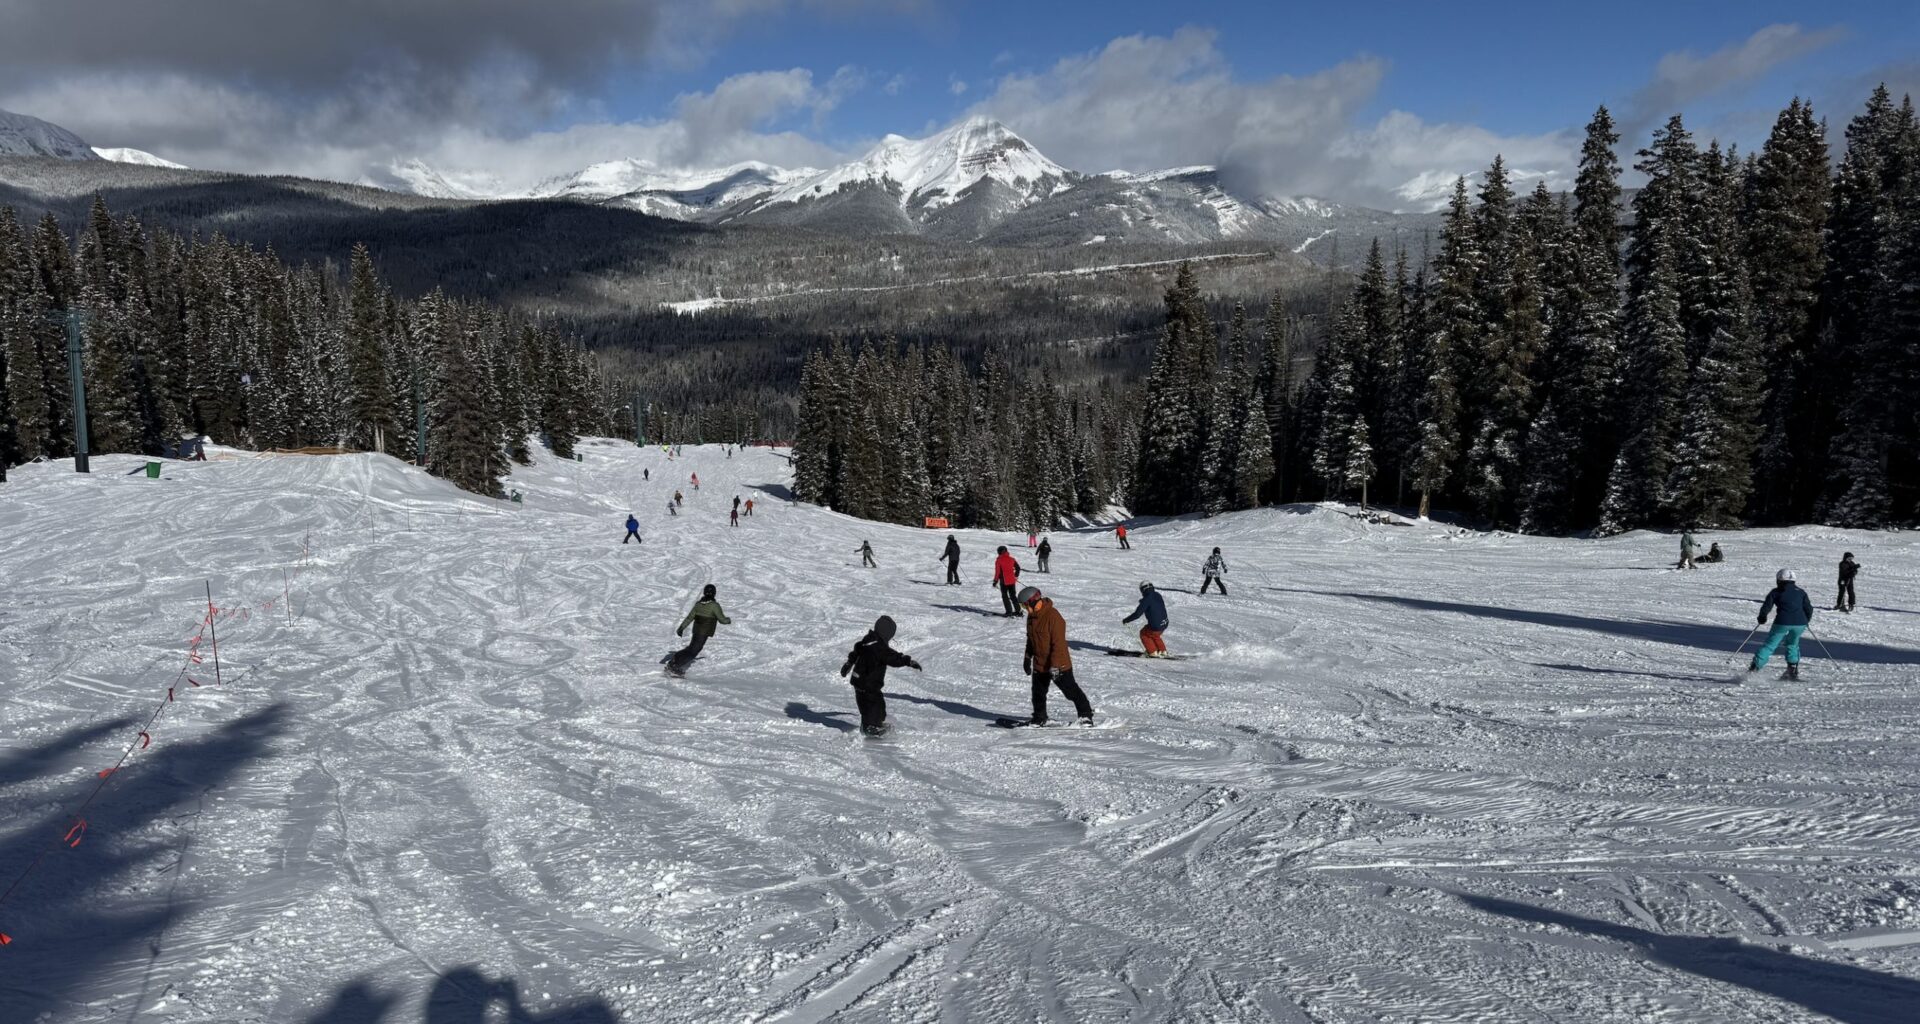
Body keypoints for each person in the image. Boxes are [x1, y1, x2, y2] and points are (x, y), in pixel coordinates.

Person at [1019, 586, 1093, 726]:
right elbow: (1031, 639)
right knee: (1038, 693)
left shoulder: (1053, 616)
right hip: (1040, 663)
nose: (1025, 609)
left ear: (1033, 602)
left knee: (1070, 691)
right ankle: (1039, 717)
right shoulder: (1031, 618)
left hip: (1059, 664)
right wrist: (1027, 658)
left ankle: (1086, 714)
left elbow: (1058, 644)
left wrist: (1055, 666)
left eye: (1025, 605)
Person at [840, 615, 922, 736]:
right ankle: (870, 728)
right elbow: (893, 658)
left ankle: (873, 724)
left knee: (874, 705)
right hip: (869, 683)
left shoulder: (867, 641)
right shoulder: (879, 648)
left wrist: (848, 664)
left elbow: (856, 651)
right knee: (873, 706)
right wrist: (908, 661)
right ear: (886, 633)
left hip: (859, 681)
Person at [1750, 569, 1814, 680]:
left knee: (1770, 645)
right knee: (1793, 644)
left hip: (1782, 622)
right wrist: (1806, 620)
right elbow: (1809, 608)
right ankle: (1792, 669)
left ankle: (1754, 668)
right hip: (1800, 624)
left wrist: (1762, 617)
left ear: (1779, 580)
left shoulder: (1776, 592)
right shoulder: (1801, 592)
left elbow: (1767, 606)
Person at [669, 584, 732, 673]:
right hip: (703, 632)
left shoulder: (698, 604)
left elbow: (689, 618)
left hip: (696, 631)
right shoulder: (715, 606)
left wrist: (681, 628)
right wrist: (728, 620)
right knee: (693, 652)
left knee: (691, 648)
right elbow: (722, 620)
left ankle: (675, 662)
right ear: (714, 593)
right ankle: (675, 665)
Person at [1122, 581, 1170, 657]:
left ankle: (1152, 652)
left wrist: (1126, 620)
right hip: (1164, 623)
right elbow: (1153, 602)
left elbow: (1137, 614)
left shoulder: (1146, 600)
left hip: (1155, 626)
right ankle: (1162, 651)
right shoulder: (1157, 595)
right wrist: (1143, 601)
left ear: (1142, 590)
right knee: (1155, 635)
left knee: (1144, 634)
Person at [993, 545, 1023, 617]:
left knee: (1005, 596)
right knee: (1013, 596)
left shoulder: (999, 560)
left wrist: (995, 581)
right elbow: (1018, 568)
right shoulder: (1012, 559)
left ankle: (1009, 612)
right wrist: (1015, 576)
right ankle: (1018, 611)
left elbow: (997, 572)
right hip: (1012, 581)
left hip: (1004, 581)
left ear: (999, 552)